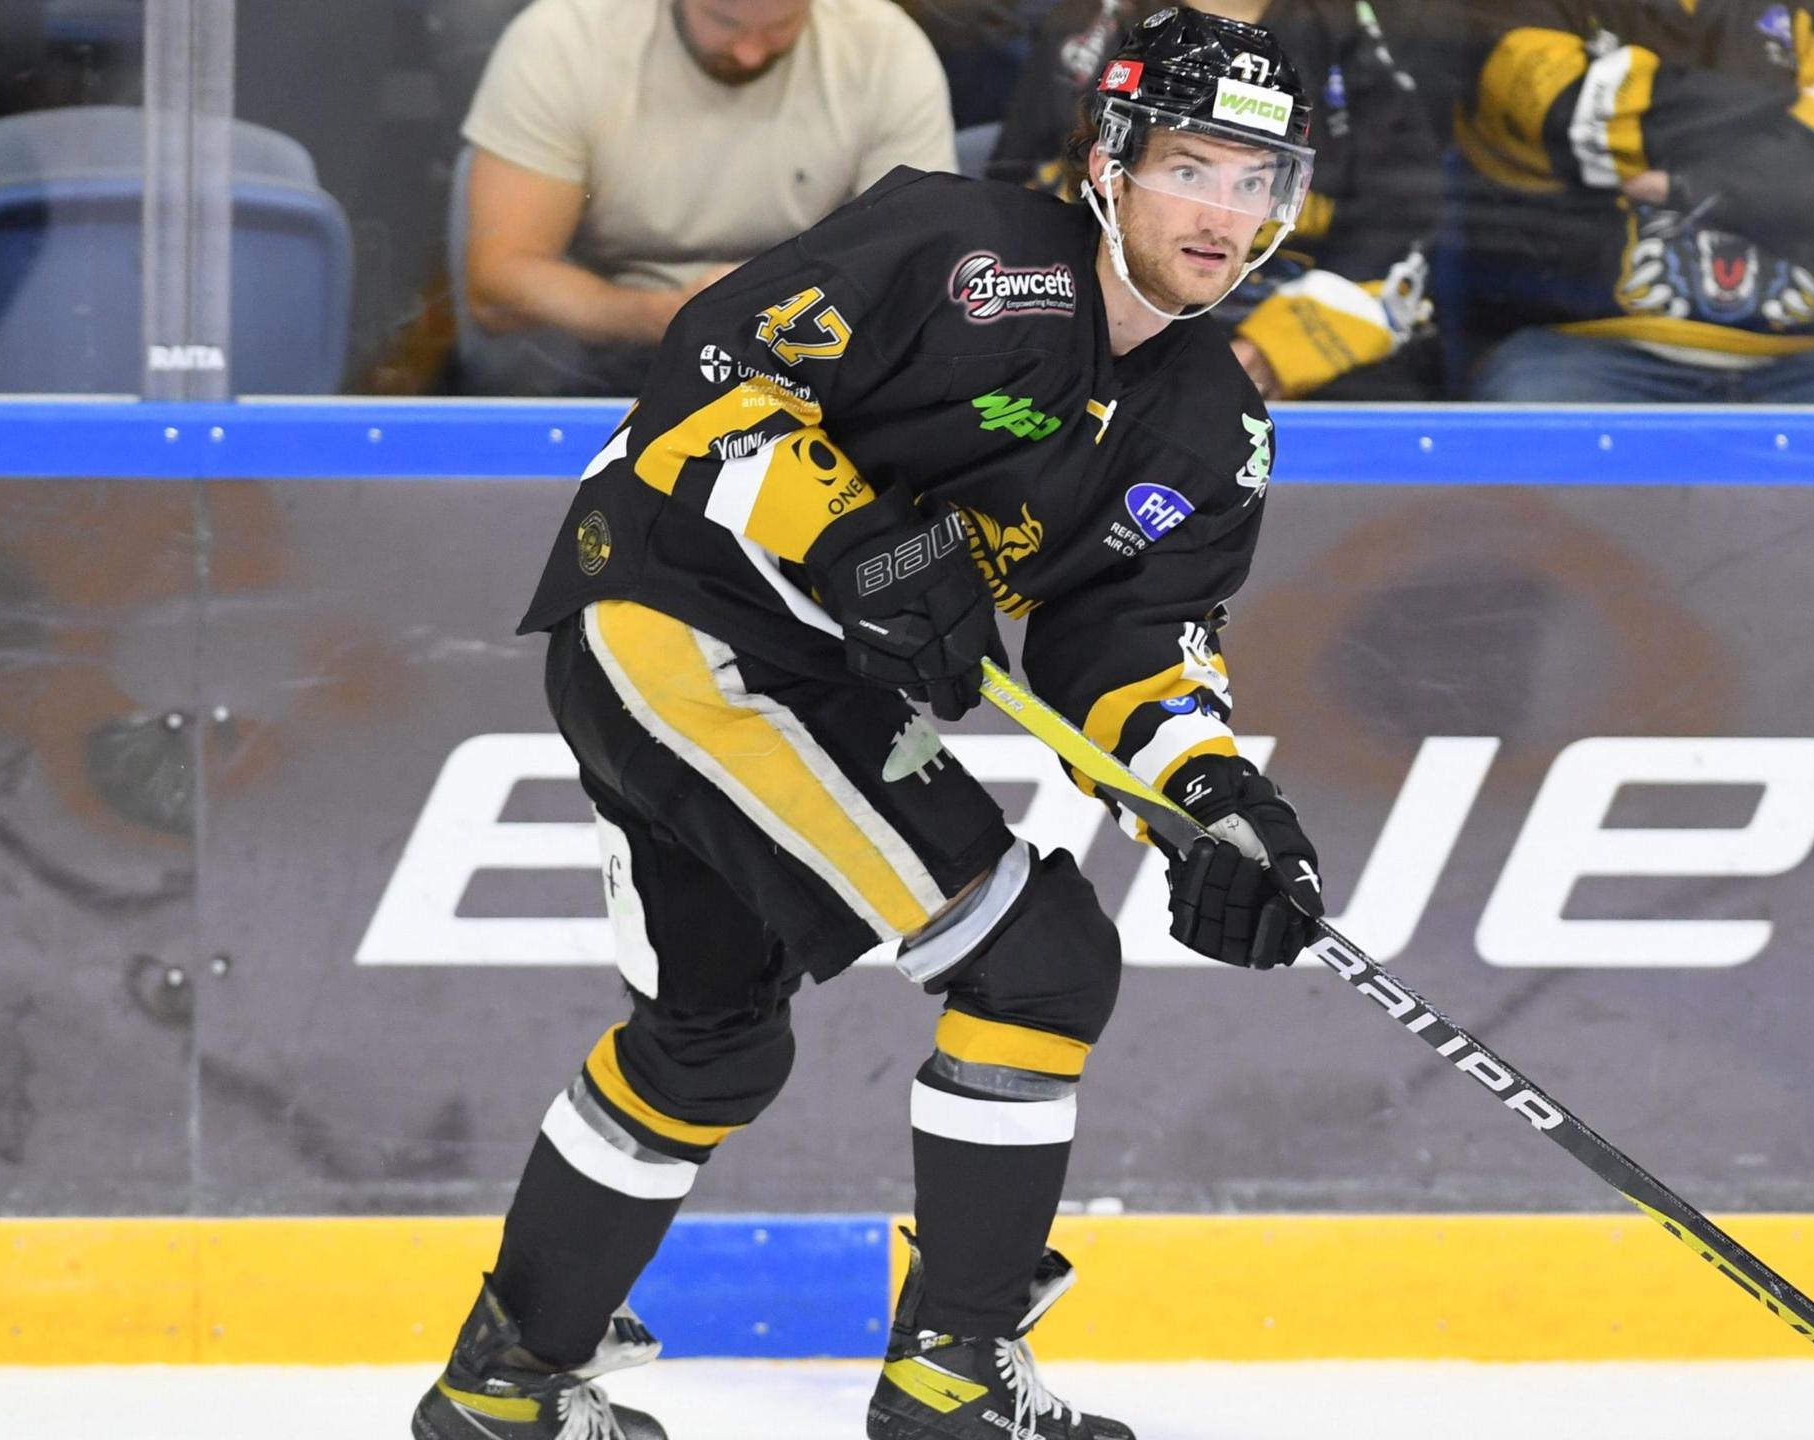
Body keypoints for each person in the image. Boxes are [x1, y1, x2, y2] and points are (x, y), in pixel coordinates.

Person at [412, 9, 1327, 1439]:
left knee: (709, 1041)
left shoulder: (1217, 427)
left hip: (792, 674)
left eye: (1258, 181)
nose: (1225, 212)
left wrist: (1213, 803)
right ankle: (951, 1381)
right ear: (1115, 159)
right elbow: (712, 377)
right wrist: (860, 542)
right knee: (1041, 963)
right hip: (681, 621)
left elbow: (1131, 650)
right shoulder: (960, 253)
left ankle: (502, 1387)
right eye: (1196, 167)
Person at [1444, 0, 1814, 404]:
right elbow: (1568, 109)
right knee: (1527, 417)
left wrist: (1679, 182)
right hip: (1592, 354)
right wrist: (1792, 114)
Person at [456, 0, 957, 397]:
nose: (750, 54)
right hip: (613, 345)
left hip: (816, 350)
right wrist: (657, 316)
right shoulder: (564, 40)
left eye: (783, 25)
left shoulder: (883, 47)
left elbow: (919, 268)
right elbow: (501, 281)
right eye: (724, 20)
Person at [990, 0, 1440, 400]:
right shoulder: (1089, 26)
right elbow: (1019, 194)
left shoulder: (1351, 33)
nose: (1219, 213)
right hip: (1110, 334)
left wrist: (1272, 351)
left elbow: (1401, 221)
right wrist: (1104, 329)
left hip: (1297, 357)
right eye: (1188, 173)